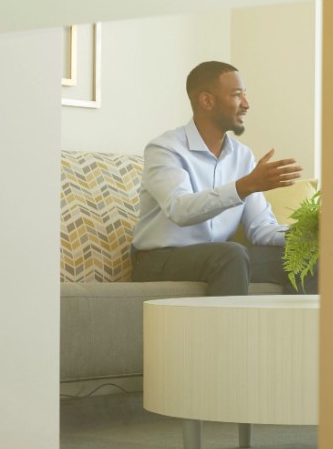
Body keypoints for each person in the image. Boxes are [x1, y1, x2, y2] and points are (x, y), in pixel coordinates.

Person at [131, 60, 306, 295]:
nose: (246, 104)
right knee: (230, 253)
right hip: (159, 260)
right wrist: (243, 187)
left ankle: (304, 332)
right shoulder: (165, 149)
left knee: (309, 255)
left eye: (245, 95)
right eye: (237, 95)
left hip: (219, 258)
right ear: (207, 101)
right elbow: (179, 209)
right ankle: (230, 334)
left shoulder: (242, 156)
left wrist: (310, 234)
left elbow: (261, 228)